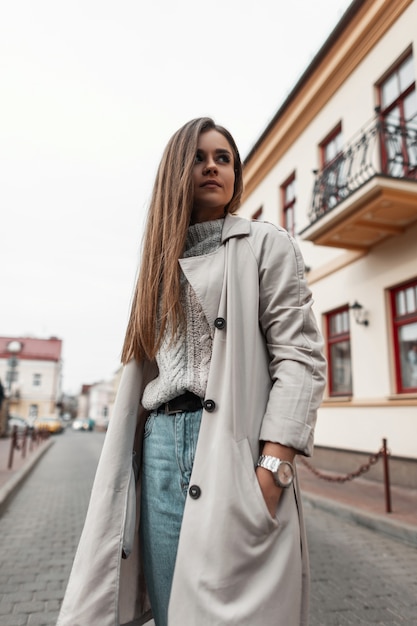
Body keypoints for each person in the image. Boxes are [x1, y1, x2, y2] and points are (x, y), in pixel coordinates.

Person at [57, 117, 326, 626]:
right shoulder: (158, 263)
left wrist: (273, 468)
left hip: (230, 447)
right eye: (199, 157)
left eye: (223, 158)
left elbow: (301, 358)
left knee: (235, 608)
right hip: (159, 446)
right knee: (170, 608)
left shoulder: (267, 245)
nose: (211, 166)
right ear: (177, 171)